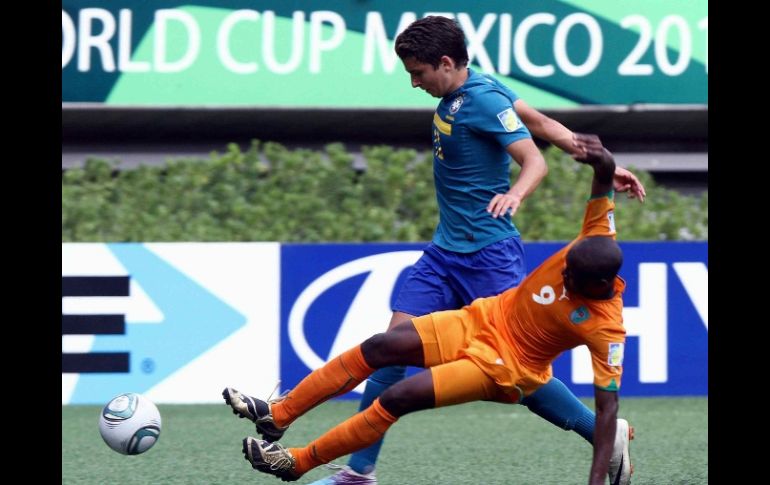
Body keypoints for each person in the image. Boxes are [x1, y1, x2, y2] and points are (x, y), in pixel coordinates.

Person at [289, 15, 643, 485]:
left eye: (418, 73)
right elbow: (536, 121)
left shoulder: (481, 98)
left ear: (446, 62)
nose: (414, 83)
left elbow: (532, 155)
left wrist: (517, 194)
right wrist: (593, 157)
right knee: (390, 352)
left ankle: (598, 431)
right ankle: (358, 473)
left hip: (488, 254)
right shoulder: (476, 88)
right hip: (445, 251)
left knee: (519, 371)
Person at [224, 134, 631, 484]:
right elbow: (602, 186)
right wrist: (605, 160)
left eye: (570, 279)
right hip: (480, 319)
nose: (562, 277)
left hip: (504, 366)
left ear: (595, 286)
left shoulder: (606, 328)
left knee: (399, 396)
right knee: (381, 347)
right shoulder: (594, 237)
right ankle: (279, 415)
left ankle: (298, 463)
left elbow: (608, 403)